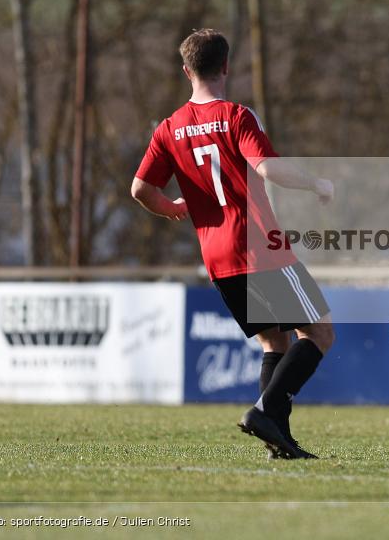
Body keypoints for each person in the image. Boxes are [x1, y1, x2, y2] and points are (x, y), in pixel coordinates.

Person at [131, 28, 335, 459]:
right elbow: (267, 168)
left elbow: (139, 189)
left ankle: (277, 441)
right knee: (318, 332)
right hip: (259, 246)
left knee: (273, 344)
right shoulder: (237, 116)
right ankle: (266, 410)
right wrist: (316, 183)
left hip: (217, 257)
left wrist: (172, 208)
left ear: (186, 71)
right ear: (226, 66)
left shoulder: (169, 129)